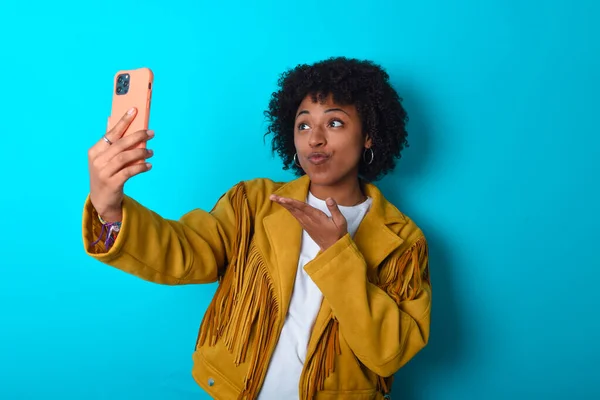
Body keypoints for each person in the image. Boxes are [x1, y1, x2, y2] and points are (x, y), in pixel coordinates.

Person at [83, 57, 431, 400]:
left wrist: (338, 254)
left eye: (335, 123)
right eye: (304, 125)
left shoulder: (403, 240)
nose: (315, 140)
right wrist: (109, 209)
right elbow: (184, 251)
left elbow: (390, 353)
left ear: (369, 135)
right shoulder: (252, 202)